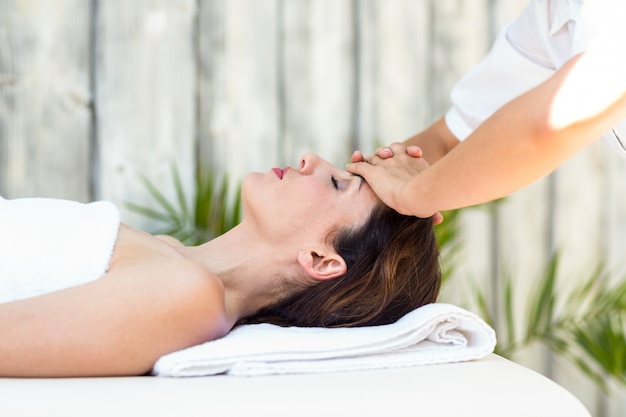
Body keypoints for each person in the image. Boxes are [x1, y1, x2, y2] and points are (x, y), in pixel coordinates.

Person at [0, 152, 441, 377]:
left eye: (336, 183)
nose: (309, 159)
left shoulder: (189, 296)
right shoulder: (169, 254)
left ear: (321, 261)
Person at [347, 0, 626, 219]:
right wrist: (371, 188)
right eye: (336, 182)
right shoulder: (551, 17)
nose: (306, 161)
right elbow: (448, 140)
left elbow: (563, 113)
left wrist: (413, 195)